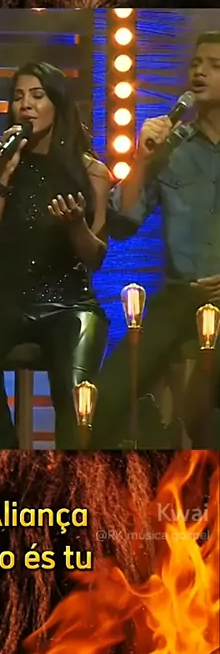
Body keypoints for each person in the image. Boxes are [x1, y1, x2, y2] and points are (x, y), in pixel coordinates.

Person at [0, 62, 111, 449]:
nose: (26, 105)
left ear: (58, 104)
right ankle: (5, 449)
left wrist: (76, 225)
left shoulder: (92, 172)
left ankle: (73, 473)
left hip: (70, 304)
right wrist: (5, 175)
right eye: (18, 97)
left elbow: (95, 258)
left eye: (37, 96)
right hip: (6, 300)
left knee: (74, 391)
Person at [93, 31, 220, 449]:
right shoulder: (172, 147)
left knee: (202, 405)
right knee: (106, 398)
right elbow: (122, 222)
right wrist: (142, 160)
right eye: (196, 63)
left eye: (215, 66)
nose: (199, 72)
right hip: (180, 296)